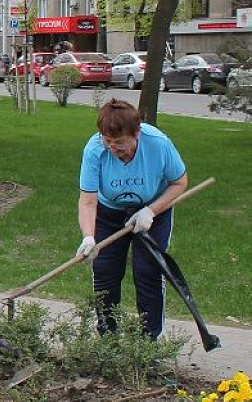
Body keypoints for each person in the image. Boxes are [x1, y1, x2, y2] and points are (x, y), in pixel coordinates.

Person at [75, 99, 188, 339]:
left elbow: (180, 183)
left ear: (136, 133)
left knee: (147, 271)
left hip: (153, 211)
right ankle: (108, 336)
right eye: (108, 141)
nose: (113, 148)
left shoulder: (158, 144)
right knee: (105, 270)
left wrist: (151, 211)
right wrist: (88, 237)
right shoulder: (94, 150)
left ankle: (149, 341)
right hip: (108, 213)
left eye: (120, 142)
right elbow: (88, 200)